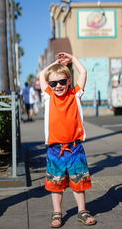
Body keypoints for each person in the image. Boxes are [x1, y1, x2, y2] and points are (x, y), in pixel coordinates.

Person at [40, 52, 96, 227]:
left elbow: (84, 72)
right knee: (55, 185)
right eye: (54, 83)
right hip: (55, 149)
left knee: (79, 183)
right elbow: (42, 75)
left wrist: (73, 59)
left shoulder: (75, 95)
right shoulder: (48, 96)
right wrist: (53, 64)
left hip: (75, 148)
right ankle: (57, 213)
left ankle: (82, 211)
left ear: (69, 81)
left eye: (62, 82)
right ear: (50, 85)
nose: (58, 86)